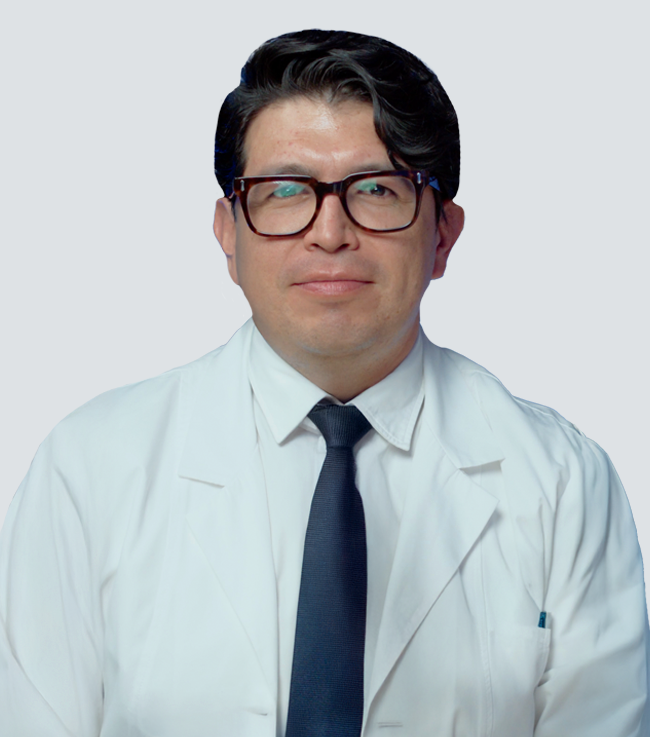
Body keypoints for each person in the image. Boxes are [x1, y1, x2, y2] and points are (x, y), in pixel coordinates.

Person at [0, 28, 648, 737]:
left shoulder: (562, 480)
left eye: (376, 189)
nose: (330, 232)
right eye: (284, 191)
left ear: (442, 235)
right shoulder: (91, 467)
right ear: (228, 233)